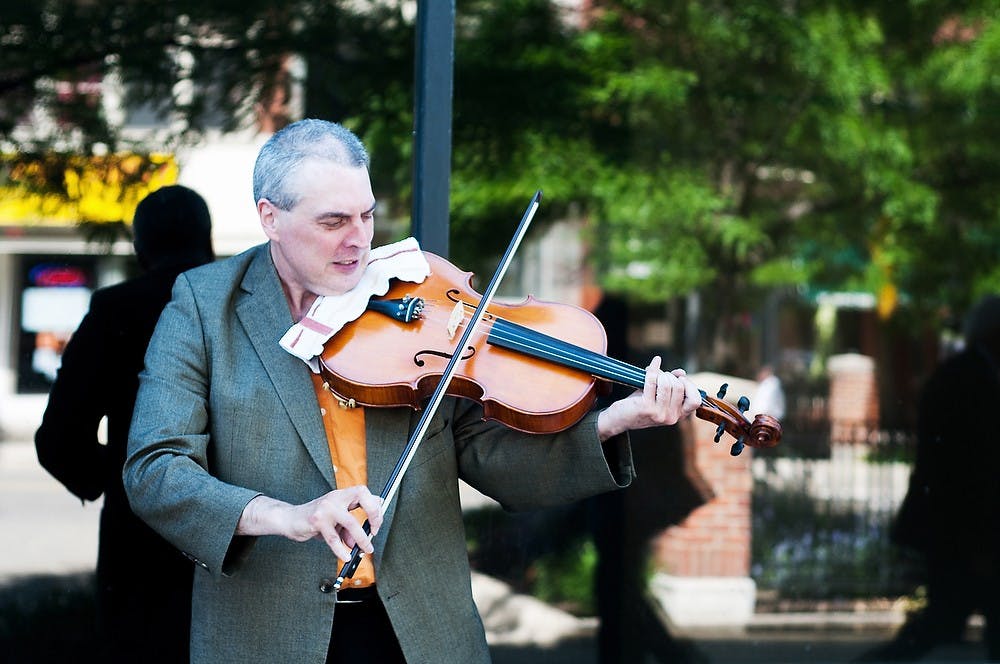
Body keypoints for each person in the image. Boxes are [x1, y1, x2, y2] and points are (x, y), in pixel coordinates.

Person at [122, 118, 703, 664]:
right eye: (333, 222)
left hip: (420, 633)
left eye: (367, 216)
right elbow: (156, 468)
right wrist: (287, 516)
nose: (358, 241)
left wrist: (613, 420)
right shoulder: (203, 306)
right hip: (269, 633)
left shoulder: (414, 298)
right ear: (270, 217)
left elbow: (490, 455)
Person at [35, 184, 215, 663]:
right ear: (209, 240)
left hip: (141, 542)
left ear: (140, 247)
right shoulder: (243, 304)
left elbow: (59, 438)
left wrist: (117, 477)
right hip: (244, 533)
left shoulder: (117, 308)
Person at [858, 294, 1000, 662]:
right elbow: (962, 467)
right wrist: (978, 542)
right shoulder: (965, 378)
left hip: (963, 530)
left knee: (942, 623)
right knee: (941, 623)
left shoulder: (966, 373)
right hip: (959, 530)